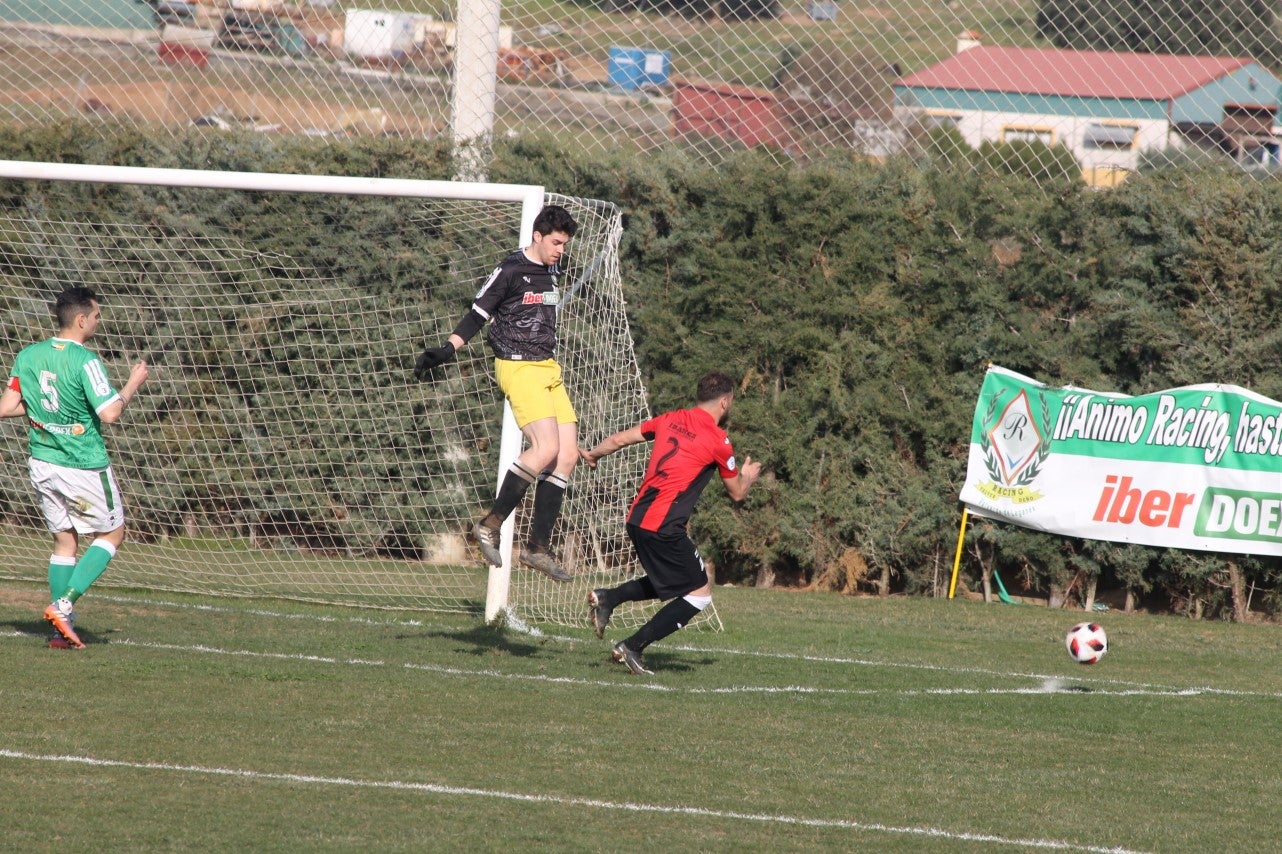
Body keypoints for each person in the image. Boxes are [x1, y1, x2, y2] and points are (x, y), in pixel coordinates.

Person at [413, 204, 581, 583]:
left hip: (548, 367)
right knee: (545, 450)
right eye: (555, 242)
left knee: (567, 455)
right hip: (518, 366)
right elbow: (478, 314)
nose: (560, 250)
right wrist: (446, 349)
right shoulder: (509, 270)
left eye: (565, 244)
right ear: (537, 236)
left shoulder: (553, 268)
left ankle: (536, 548)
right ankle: (490, 525)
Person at [579, 371, 761, 675]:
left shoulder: (670, 418)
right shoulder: (719, 440)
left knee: (676, 580)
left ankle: (609, 598)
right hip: (663, 527)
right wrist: (749, 477)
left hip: (637, 519)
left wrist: (593, 454)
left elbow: (620, 439)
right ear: (726, 402)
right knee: (698, 595)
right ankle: (632, 646)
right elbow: (737, 493)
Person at [0, 286, 149, 649]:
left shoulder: (29, 355)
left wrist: (44, 416)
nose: (99, 321)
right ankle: (63, 605)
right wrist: (133, 383)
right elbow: (110, 413)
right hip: (81, 464)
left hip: (42, 463)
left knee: (65, 540)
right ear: (82, 320)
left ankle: (58, 632)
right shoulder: (85, 360)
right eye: (97, 315)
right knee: (113, 534)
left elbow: (6, 407)